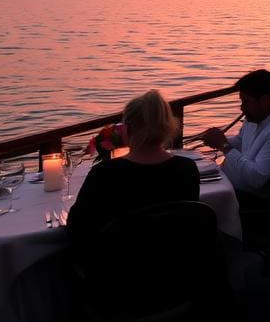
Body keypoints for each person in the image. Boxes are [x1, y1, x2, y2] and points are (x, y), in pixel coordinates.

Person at [68, 89, 201, 246]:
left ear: (128, 129)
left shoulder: (105, 173)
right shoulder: (187, 170)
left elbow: (76, 228)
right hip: (175, 262)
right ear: (167, 127)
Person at [202, 69, 270, 197]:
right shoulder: (259, 115)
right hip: (233, 185)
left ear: (264, 100)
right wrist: (219, 140)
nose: (242, 108)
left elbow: (256, 179)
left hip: (251, 199)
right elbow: (242, 141)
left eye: (246, 101)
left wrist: (224, 145)